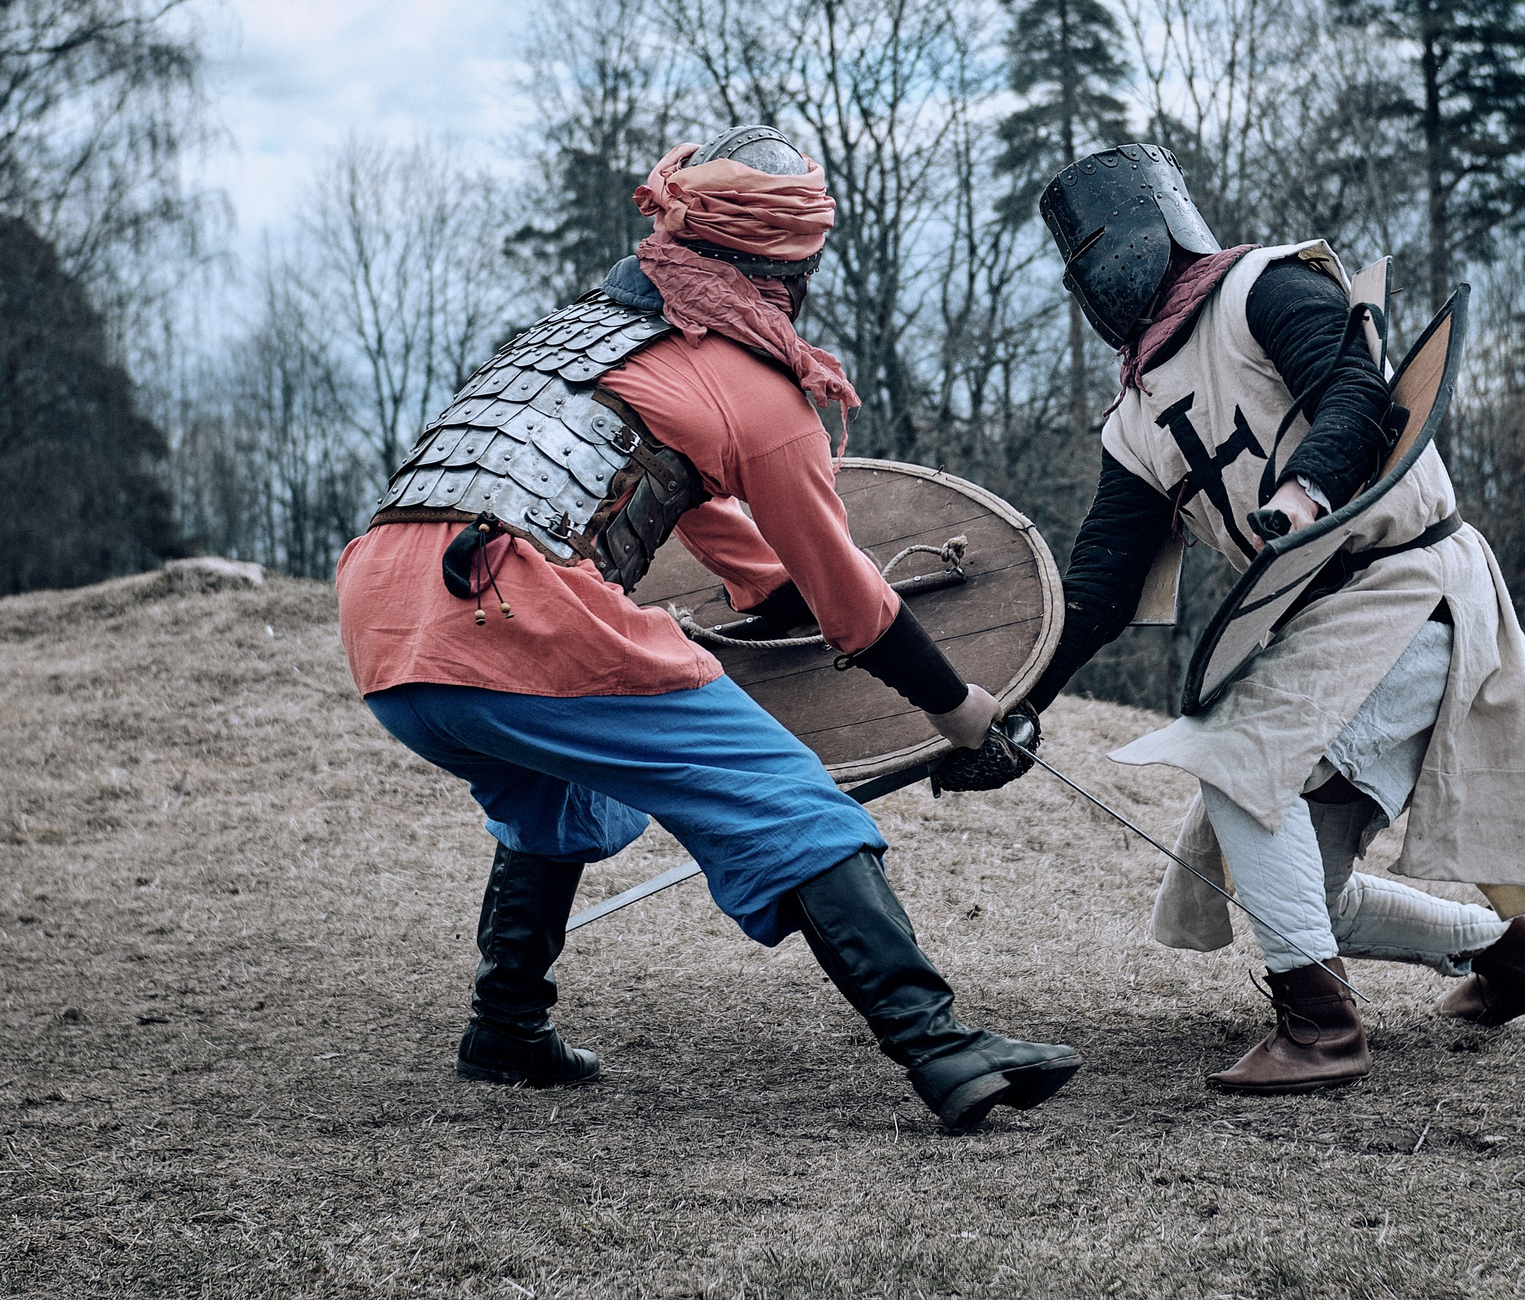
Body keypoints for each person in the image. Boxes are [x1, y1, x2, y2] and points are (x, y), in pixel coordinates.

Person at [336, 125, 1079, 1132]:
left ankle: (504, 1026)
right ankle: (942, 1048)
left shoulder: (580, 337)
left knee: (554, 794)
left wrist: (783, 595)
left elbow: (740, 558)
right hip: (522, 614)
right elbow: (850, 605)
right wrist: (962, 709)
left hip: (387, 618)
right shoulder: (759, 393)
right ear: (788, 264)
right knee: (786, 800)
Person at [1018, 143, 1525, 1095]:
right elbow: (1101, 586)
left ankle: (1320, 1028)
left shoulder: (1263, 287)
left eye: (1095, 245)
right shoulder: (1135, 414)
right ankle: (1514, 954)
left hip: (1405, 588)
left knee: (1240, 767)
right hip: (1316, 629)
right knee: (1301, 889)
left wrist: (1303, 490)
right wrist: (1012, 702)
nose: (1092, 273)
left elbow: (1360, 394)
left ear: (1150, 225)